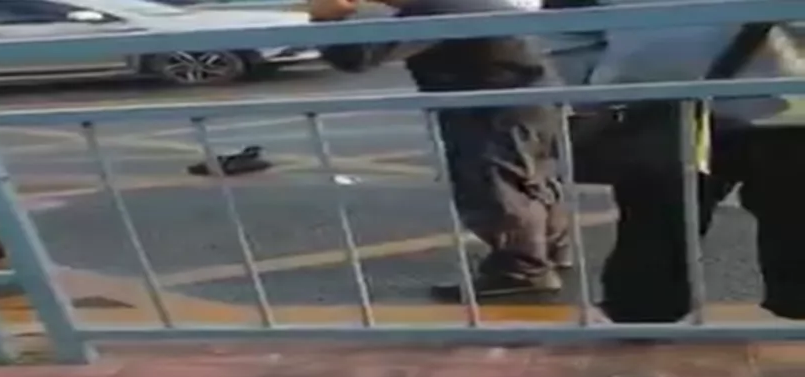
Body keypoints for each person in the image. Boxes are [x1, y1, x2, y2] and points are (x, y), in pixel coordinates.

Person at [307, 0, 573, 300]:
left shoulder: (433, 8)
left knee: (495, 187)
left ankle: (522, 271)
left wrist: (326, 19)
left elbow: (358, 57)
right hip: (530, 100)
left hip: (494, 108)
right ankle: (549, 250)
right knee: (531, 179)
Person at [576, 6, 805, 323]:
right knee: (656, 221)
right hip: (662, 102)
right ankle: (641, 316)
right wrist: (592, 81)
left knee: (794, 215)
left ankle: (641, 317)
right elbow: (565, 25)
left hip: (787, 107)